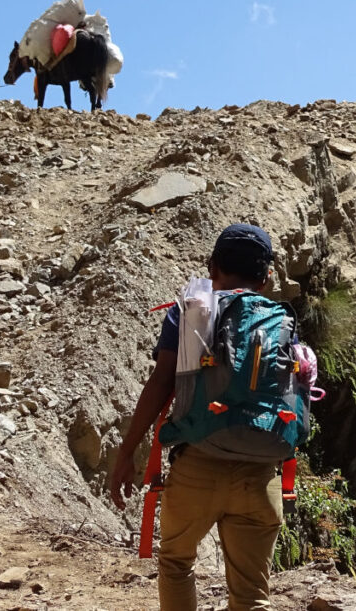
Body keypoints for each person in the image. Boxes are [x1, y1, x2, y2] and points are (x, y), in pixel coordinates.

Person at [110, 223, 283, 611]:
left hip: (197, 466)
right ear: (267, 277)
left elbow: (160, 383)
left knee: (176, 564)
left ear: (212, 267)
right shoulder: (280, 320)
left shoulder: (191, 311)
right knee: (253, 597)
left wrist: (127, 454)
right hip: (260, 473)